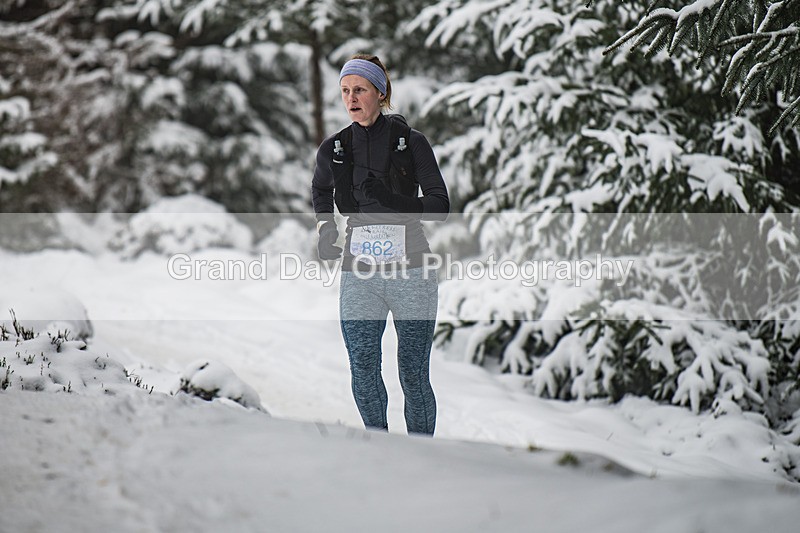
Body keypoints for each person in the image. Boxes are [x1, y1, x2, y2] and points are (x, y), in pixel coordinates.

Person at [311, 54, 449, 436]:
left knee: (412, 370)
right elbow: (320, 188)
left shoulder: (411, 143)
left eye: (360, 90)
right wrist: (326, 231)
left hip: (413, 272)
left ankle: (421, 451)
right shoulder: (336, 147)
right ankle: (380, 446)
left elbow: (440, 206)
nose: (351, 98)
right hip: (361, 273)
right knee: (363, 362)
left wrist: (395, 202)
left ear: (380, 92)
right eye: (345, 91)